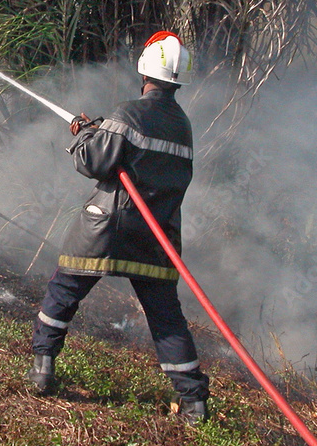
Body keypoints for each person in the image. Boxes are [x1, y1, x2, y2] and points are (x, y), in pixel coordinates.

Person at [27, 31, 210, 424]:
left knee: (64, 289)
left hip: (106, 228)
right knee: (165, 316)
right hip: (155, 235)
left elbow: (94, 162)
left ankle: (42, 367)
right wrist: (98, 132)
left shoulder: (128, 113)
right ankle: (193, 400)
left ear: (145, 67)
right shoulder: (183, 126)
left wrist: (86, 134)